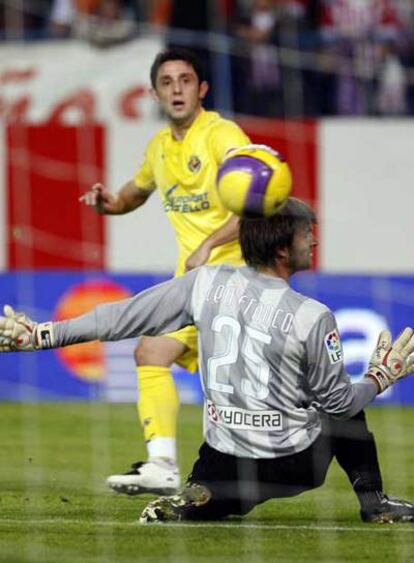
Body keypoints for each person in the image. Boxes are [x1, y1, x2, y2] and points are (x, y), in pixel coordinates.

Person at [1, 198, 414, 525]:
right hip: (288, 463)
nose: (315, 242)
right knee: (342, 405)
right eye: (309, 235)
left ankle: (204, 493)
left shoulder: (206, 283)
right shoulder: (312, 314)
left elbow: (120, 318)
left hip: (222, 449)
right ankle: (375, 504)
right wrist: (381, 376)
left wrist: (42, 334)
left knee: (222, 482)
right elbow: (340, 403)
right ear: (285, 248)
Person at [78, 47, 250, 495]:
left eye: (186, 80)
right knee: (151, 354)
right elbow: (135, 192)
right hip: (194, 285)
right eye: (167, 82)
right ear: (155, 94)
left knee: (258, 388)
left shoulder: (221, 134)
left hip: (237, 279)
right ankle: (162, 464)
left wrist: (209, 245)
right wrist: (109, 203)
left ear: (203, 89)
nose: (177, 89)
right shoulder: (158, 149)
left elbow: (255, 199)